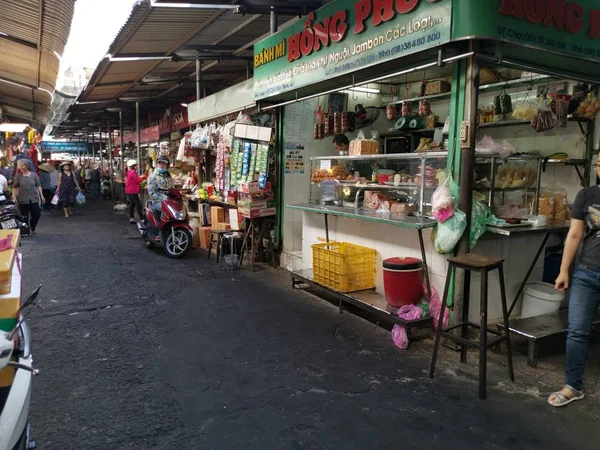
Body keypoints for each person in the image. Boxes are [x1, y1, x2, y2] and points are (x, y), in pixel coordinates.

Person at [548, 159, 600, 407]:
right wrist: (563, 271)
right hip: (587, 273)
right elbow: (575, 234)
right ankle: (573, 386)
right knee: (577, 332)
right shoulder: (587, 195)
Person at [12, 160, 44, 235]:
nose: (21, 167)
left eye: (23, 165)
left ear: (27, 166)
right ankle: (26, 231)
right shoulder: (18, 176)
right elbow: (14, 187)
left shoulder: (34, 175)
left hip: (34, 199)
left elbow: (38, 185)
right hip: (22, 200)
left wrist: (42, 196)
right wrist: (14, 196)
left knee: (37, 215)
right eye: (20, 166)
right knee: (24, 217)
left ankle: (32, 227)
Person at [125, 159, 144, 223]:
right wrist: (143, 177)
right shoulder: (133, 172)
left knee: (132, 204)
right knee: (138, 204)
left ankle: (131, 218)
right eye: (136, 165)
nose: (137, 166)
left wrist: (140, 177)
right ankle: (142, 218)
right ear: (133, 166)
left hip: (129, 191)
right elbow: (138, 180)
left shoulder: (129, 172)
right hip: (133, 191)